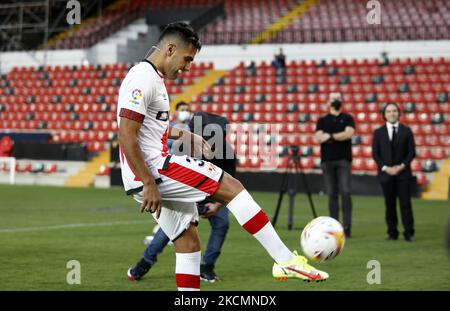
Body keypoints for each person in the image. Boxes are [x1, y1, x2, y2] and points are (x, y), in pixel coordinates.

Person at [117, 22, 328, 291]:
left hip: (147, 172)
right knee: (232, 187)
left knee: (188, 241)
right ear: (170, 49)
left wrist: (183, 135)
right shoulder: (142, 77)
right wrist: (148, 182)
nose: (188, 67)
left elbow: (149, 126)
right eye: (187, 59)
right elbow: (126, 134)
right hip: (154, 169)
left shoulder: (152, 77)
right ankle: (285, 260)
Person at [128, 112, 235, 283]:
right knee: (169, 228)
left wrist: (216, 206)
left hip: (213, 197)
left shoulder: (228, 152)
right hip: (185, 194)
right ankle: (144, 264)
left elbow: (231, 186)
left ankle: (206, 267)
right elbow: (173, 179)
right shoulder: (180, 148)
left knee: (222, 223)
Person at [372, 103, 416, 242]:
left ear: (398, 113)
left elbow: (411, 152)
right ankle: (392, 232)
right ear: (384, 115)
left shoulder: (407, 131)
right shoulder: (378, 132)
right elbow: (375, 154)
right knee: (389, 204)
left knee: (405, 204)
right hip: (386, 175)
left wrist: (401, 166)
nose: (392, 113)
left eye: (394, 111)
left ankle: (409, 233)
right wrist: (386, 168)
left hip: (403, 174)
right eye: (389, 111)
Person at [315, 92, 355, 238]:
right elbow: (318, 137)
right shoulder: (322, 120)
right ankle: (335, 227)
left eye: (338, 98)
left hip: (344, 160)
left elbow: (348, 134)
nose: (336, 101)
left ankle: (347, 227)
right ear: (328, 101)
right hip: (327, 161)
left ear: (342, 101)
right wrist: (338, 136)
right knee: (332, 194)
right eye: (333, 98)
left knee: (345, 192)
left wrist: (330, 136)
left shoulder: (348, 118)